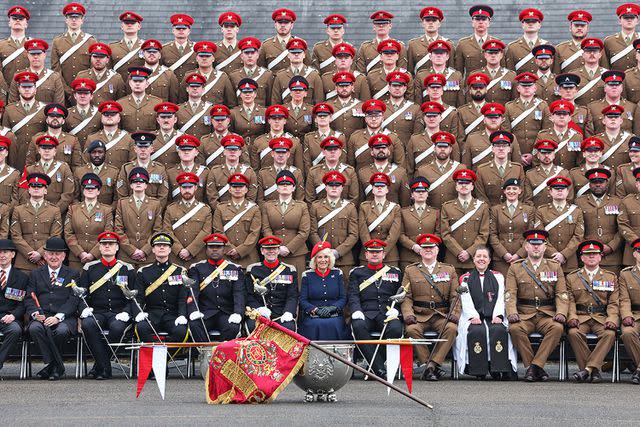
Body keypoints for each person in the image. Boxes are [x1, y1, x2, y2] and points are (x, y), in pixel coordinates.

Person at [505, 229, 569, 382]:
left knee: (557, 328)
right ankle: (535, 367)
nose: (536, 247)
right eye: (532, 244)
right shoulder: (516, 267)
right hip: (525, 314)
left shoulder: (554, 266)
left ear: (545, 247)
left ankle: (534, 367)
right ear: (526, 247)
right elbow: (510, 294)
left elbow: (562, 294)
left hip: (546, 314)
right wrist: (511, 312)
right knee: (514, 328)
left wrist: (561, 312)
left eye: (539, 244)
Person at [79, 231, 136, 380]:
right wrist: (83, 308)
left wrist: (127, 312)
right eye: (104, 244)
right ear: (99, 247)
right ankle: (104, 366)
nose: (107, 246)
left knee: (117, 328)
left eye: (111, 244)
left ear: (117, 248)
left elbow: (134, 296)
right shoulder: (90, 268)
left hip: (118, 312)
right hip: (97, 311)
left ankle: (100, 366)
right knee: (88, 324)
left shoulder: (127, 268)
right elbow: (81, 293)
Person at [401, 234, 458, 381]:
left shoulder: (449, 270)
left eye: (431, 247)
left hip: (441, 315)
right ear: (420, 251)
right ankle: (429, 365)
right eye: (425, 248)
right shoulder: (410, 270)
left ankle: (431, 365)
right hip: (420, 315)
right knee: (411, 330)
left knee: (451, 329)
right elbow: (405, 296)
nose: (428, 250)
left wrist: (454, 313)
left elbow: (456, 296)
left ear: (437, 250)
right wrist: (408, 314)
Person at [456, 246, 516, 380]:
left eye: (484, 257)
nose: (481, 259)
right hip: (474, 316)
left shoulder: (498, 277)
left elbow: (501, 297)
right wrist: (473, 316)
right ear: (474, 259)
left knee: (499, 330)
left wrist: (498, 315)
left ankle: (498, 368)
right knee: (477, 331)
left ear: (489, 260)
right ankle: (478, 369)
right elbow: (465, 300)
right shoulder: (465, 278)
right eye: (478, 256)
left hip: (493, 315)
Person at [25, 237, 80, 380]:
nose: (54, 257)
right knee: (34, 328)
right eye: (50, 254)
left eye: (58, 254)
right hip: (41, 315)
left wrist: (58, 317)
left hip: (64, 317)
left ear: (64, 256)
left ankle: (52, 366)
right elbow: (29, 297)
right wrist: (34, 313)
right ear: (45, 255)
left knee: (61, 331)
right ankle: (55, 365)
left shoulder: (73, 274)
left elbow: (74, 300)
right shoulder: (36, 273)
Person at [566, 240, 619, 383]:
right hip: (581, 317)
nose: (591, 257)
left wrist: (611, 319)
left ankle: (587, 370)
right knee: (573, 332)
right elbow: (569, 301)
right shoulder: (572, 277)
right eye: (588, 254)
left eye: (594, 254)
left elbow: (614, 303)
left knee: (609, 334)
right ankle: (594, 370)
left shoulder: (610, 277)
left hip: (601, 318)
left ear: (600, 256)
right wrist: (571, 316)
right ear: (582, 257)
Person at [349, 238, 403, 377]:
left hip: (386, 312)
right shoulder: (357, 273)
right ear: (366, 255)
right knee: (358, 326)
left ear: (383, 254)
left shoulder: (395, 272)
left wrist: (396, 309)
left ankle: (376, 364)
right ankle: (379, 368)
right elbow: (353, 295)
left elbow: (401, 294)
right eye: (371, 252)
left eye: (378, 252)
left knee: (396, 329)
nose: (375, 254)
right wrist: (356, 311)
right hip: (366, 312)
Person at [187, 233, 245, 342]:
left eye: (218, 247)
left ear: (224, 249)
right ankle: (204, 354)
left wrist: (238, 312)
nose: (215, 250)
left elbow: (239, 293)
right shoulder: (197, 268)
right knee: (195, 325)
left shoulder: (234, 269)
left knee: (233, 327)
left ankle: (221, 355)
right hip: (205, 312)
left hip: (226, 313)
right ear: (206, 249)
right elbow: (193, 292)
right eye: (211, 247)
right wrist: (193, 310)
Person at [134, 233, 188, 343]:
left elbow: (183, 298)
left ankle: (163, 359)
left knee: (181, 331)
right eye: (158, 245)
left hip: (173, 315)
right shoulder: (143, 272)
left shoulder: (180, 271)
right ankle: (152, 358)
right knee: (141, 327)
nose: (162, 247)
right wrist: (139, 312)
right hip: (151, 314)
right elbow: (138, 297)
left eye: (165, 245)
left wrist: (182, 315)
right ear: (153, 250)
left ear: (170, 250)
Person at [308, 171, 359, 282]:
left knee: (344, 291)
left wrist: (337, 252)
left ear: (342, 188)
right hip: (321, 259)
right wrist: (323, 251)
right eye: (331, 185)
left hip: (344, 259)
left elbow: (354, 235)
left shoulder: (350, 207)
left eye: (337, 185)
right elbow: (312, 232)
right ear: (325, 187)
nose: (334, 188)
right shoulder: (315, 206)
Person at [260, 170, 310, 280]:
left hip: (296, 253)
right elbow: (266, 228)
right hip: (274, 253)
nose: (285, 186)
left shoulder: (302, 206)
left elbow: (304, 232)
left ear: (294, 188)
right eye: (282, 184)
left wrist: (288, 248)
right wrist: (277, 247)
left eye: (288, 184)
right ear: (277, 188)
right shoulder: (268, 206)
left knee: (297, 286)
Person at [10, 173, 63, 273]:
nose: (36, 188)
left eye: (40, 186)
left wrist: (40, 253)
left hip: (46, 261)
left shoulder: (54, 210)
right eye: (33, 186)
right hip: (23, 262)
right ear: (29, 189)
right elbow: (15, 235)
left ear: (45, 190)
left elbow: (55, 236)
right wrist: (30, 254)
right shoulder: (18, 210)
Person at [440, 169, 490, 274]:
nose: (464, 186)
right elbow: (445, 234)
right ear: (456, 186)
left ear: (472, 186)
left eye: (467, 183)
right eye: (460, 183)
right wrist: (459, 252)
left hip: (474, 259)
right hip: (452, 258)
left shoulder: (482, 207)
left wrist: (469, 252)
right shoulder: (447, 207)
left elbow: (484, 234)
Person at [575, 168, 623, 275]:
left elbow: (622, 228)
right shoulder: (579, 202)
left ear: (607, 183)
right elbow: (577, 230)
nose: (597, 185)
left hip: (612, 258)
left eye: (601, 182)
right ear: (589, 184)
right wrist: (586, 247)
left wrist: (611, 247)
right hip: (587, 255)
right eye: (594, 182)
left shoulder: (617, 202)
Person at [245, 236, 298, 332]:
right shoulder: (252, 270)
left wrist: (288, 312)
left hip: (281, 313)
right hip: (260, 313)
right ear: (262, 251)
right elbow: (249, 295)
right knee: (252, 326)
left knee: (289, 328)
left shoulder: (289, 270)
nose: (271, 251)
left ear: (278, 250)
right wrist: (259, 309)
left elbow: (292, 296)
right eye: (267, 249)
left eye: (274, 248)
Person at [298, 241, 349, 340]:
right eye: (319, 257)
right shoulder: (307, 275)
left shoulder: (337, 273)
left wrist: (332, 308)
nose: (323, 260)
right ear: (315, 260)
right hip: (313, 316)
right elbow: (302, 300)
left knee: (334, 324)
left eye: (326, 257)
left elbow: (343, 298)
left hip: (334, 314)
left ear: (330, 259)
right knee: (315, 325)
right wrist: (315, 310)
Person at [64, 173, 114, 271]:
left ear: (98, 191)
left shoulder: (106, 210)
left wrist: (93, 254)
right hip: (76, 259)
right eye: (87, 188)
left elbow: (107, 235)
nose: (90, 190)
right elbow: (68, 233)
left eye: (93, 188)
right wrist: (80, 253)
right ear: (83, 190)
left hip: (98, 257)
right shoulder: (73, 209)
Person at [534, 176, 585, 273]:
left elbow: (578, 236)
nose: (559, 191)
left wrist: (564, 255)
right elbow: (540, 236)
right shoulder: (541, 211)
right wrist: (553, 254)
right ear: (550, 192)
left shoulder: (576, 211)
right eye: (556, 189)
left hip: (569, 260)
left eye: (562, 189)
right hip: (548, 259)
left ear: (567, 191)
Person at [114, 167, 163, 267]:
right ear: (131, 185)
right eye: (135, 181)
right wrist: (132, 251)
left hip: (148, 256)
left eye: (142, 181)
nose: (138, 183)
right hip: (126, 256)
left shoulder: (155, 204)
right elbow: (118, 230)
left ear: (146, 185)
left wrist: (145, 251)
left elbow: (157, 230)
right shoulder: (122, 203)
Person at [211, 173, 261, 269]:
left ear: (246, 189)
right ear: (229, 189)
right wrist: (230, 248)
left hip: (249, 257)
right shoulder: (220, 208)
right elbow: (218, 231)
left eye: (241, 186)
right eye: (234, 186)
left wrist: (240, 251)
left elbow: (254, 234)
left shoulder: (254, 209)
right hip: (226, 256)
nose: (237, 189)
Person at [163, 172, 212, 266]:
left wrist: (190, 250)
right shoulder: (171, 209)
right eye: (184, 187)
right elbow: (167, 231)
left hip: (198, 258)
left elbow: (206, 232)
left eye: (190, 187)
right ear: (180, 189)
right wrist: (179, 250)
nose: (187, 190)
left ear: (196, 188)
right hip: (175, 258)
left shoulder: (205, 210)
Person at [488, 178, 535, 276]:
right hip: (501, 258)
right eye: (508, 189)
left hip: (523, 256)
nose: (511, 191)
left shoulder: (529, 210)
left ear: (520, 191)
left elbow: (530, 235)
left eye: (514, 188)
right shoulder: (495, 210)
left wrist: (519, 254)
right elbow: (492, 235)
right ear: (504, 191)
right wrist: (504, 254)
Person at [358, 172, 401, 267]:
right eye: (376, 186)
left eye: (382, 186)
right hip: (368, 255)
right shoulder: (364, 207)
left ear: (387, 189)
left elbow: (394, 233)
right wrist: (371, 251)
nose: (379, 188)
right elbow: (363, 231)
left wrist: (382, 252)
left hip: (389, 256)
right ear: (372, 190)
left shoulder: (395, 208)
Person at [51, 3, 96, 92]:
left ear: (82, 20)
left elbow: (93, 69)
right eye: (71, 17)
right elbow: (55, 69)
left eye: (77, 17)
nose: (74, 20)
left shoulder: (91, 41)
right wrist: (66, 89)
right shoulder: (57, 41)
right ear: (66, 20)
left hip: (85, 91)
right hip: (63, 91)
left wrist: (84, 88)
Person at [0, 239, 29, 374]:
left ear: (13, 254)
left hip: (10, 317)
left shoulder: (22, 277)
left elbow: (23, 303)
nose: (2, 255)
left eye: (5, 252)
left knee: (15, 330)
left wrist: (13, 316)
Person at [399, 177, 440, 270]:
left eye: (424, 191)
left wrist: (428, 246)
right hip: (408, 257)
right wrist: (413, 246)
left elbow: (438, 233)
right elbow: (400, 234)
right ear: (412, 194)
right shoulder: (403, 212)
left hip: (430, 256)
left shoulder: (435, 212)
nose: (421, 193)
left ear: (427, 194)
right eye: (417, 191)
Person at [8, 39, 65, 105]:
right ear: (28, 55)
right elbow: (12, 105)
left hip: (47, 115)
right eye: (32, 54)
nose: (35, 57)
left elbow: (59, 105)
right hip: (23, 115)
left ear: (44, 55)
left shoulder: (54, 77)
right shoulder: (18, 76)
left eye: (38, 54)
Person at [85, 101, 134, 171]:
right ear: (101, 119)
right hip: (99, 179)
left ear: (119, 118)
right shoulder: (92, 138)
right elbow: (86, 163)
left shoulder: (128, 138)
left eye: (113, 114)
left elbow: (132, 165)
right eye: (106, 114)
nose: (109, 116)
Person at [75, 42, 128, 106]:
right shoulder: (81, 76)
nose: (98, 59)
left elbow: (121, 101)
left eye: (101, 57)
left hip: (108, 115)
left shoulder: (116, 79)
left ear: (107, 59)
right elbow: (74, 100)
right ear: (91, 58)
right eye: (95, 56)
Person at [73, 140, 120, 207]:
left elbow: (117, 198)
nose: (97, 155)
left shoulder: (114, 172)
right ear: (89, 154)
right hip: (84, 213)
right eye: (93, 152)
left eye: (100, 152)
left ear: (105, 153)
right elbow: (75, 197)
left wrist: (108, 212)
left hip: (106, 214)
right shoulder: (79, 171)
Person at [619, 238, 640, 383]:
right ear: (635, 254)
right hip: (635, 314)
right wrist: (626, 315)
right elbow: (624, 299)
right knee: (627, 333)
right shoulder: (625, 275)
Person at [454, 6, 497, 76]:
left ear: (489, 22)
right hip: (470, 85)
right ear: (472, 22)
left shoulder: (496, 43)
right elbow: (458, 72)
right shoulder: (463, 44)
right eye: (477, 19)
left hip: (491, 85)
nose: (480, 22)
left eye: (484, 19)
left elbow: (503, 70)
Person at [505, 8, 547, 74]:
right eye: (527, 21)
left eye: (534, 21)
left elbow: (552, 74)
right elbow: (509, 74)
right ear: (522, 25)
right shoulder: (512, 47)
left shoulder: (547, 46)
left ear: (539, 25)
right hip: (520, 84)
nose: (530, 24)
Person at [160, 14, 197, 83]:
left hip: (191, 87)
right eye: (178, 28)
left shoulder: (196, 49)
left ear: (189, 31)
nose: (181, 30)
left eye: (184, 28)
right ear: (173, 31)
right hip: (170, 87)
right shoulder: (164, 49)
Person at [109, 11, 145, 80]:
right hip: (119, 88)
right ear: (122, 26)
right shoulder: (112, 47)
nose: (129, 25)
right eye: (126, 23)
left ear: (139, 26)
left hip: (138, 86)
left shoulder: (145, 47)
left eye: (133, 23)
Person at [604, 4, 640, 72]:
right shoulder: (609, 41)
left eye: (632, 18)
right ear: (619, 21)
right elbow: (604, 67)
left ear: (637, 21)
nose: (629, 20)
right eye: (626, 18)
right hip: (616, 81)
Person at [0, 5, 31, 83]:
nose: (17, 20)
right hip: (6, 91)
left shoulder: (33, 45)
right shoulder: (1, 45)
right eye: (14, 18)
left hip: (28, 90)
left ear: (26, 24)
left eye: (21, 19)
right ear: (9, 23)